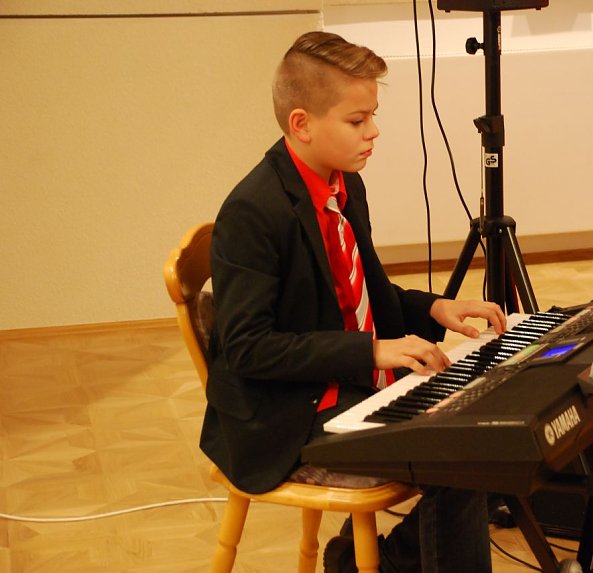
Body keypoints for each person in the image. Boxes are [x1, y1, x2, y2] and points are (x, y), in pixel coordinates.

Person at [202, 30, 506, 572]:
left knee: (484, 426)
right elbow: (249, 349)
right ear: (301, 124)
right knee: (465, 456)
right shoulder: (253, 212)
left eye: (372, 116)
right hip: (288, 415)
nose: (374, 131)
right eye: (357, 120)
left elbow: (363, 291)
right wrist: (371, 352)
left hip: (344, 384)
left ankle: (359, 562)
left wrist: (435, 309)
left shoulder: (343, 182)